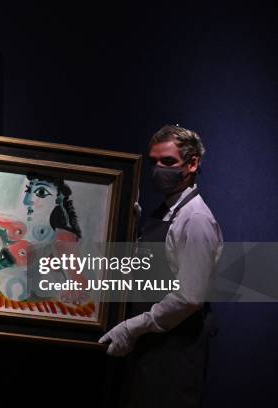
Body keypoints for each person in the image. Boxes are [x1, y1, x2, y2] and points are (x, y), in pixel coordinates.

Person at [99, 125, 223, 407]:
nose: (158, 169)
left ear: (192, 164)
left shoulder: (196, 220)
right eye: (153, 161)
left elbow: (189, 297)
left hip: (173, 354)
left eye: (168, 162)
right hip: (151, 350)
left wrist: (133, 328)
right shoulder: (167, 211)